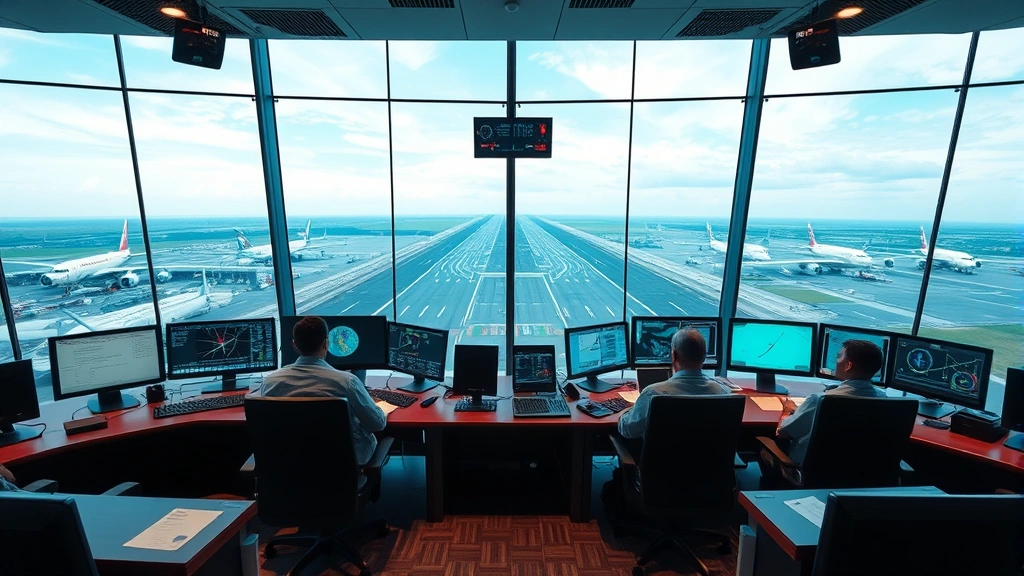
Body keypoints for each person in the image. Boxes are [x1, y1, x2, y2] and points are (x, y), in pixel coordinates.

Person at [261, 316, 386, 466]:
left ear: (294, 345)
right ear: (326, 344)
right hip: (343, 465)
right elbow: (377, 424)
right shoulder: (347, 382)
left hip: (291, 466)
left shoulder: (270, 382)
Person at [776, 339, 886, 466]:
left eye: (839, 357)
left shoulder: (820, 400)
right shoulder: (886, 402)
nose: (836, 362)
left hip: (812, 472)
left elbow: (782, 432)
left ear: (848, 365)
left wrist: (788, 412)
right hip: (862, 473)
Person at [617, 328, 731, 440]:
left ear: (674, 356)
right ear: (704, 357)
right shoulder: (724, 393)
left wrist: (629, 409)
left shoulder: (652, 394)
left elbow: (627, 430)